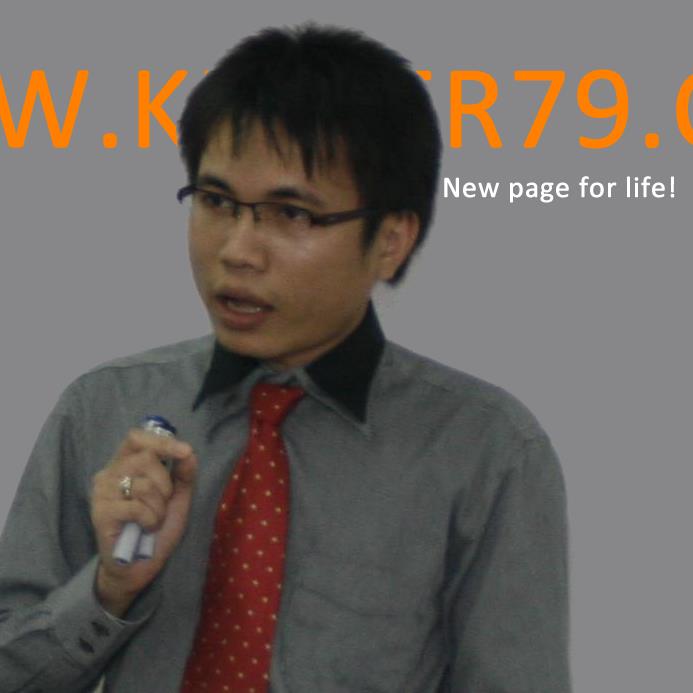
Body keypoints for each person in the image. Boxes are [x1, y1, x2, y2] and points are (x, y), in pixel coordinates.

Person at [0, 23, 571, 693]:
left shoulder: (484, 450)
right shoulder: (105, 409)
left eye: (292, 215)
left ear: (390, 240)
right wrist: (110, 586)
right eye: (216, 202)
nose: (238, 251)